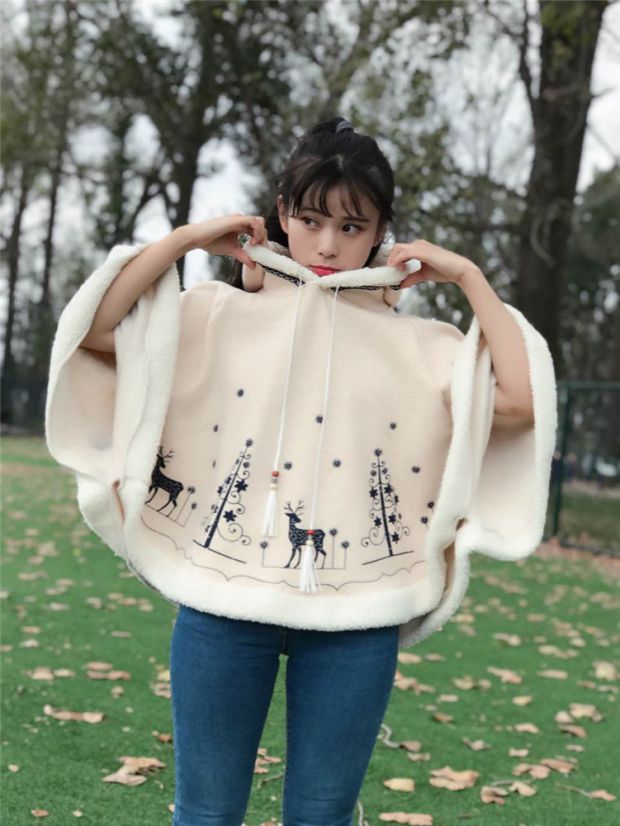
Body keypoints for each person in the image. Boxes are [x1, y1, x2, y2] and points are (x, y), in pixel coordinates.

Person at [45, 117, 557, 825]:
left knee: (322, 817)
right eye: (311, 219)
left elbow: (522, 402)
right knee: (205, 814)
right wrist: (187, 240)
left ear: (380, 232)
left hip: (356, 621)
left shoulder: (423, 344)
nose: (327, 244)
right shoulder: (216, 312)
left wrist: (471, 279)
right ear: (282, 213)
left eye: (352, 226)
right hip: (222, 608)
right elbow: (98, 330)